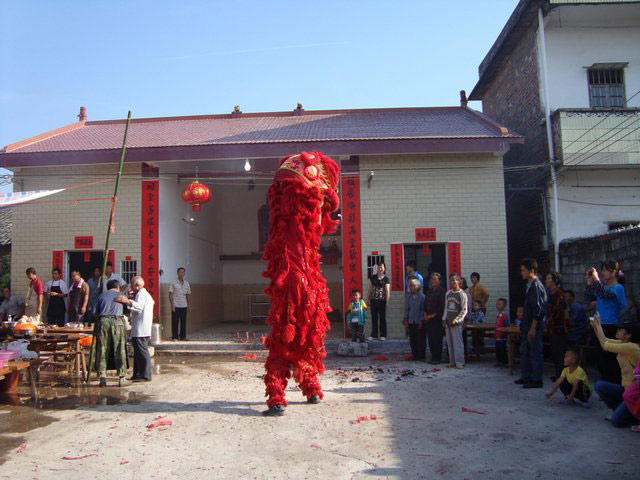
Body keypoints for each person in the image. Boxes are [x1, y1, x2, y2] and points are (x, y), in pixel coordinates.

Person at [591, 314, 640, 427]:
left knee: (616, 422)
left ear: (628, 335)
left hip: (634, 393)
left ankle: (634, 416)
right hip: (625, 389)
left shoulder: (632, 347)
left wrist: (598, 326)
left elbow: (605, 345)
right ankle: (619, 410)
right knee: (600, 386)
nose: (617, 330)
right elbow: (605, 340)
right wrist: (596, 326)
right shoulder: (624, 343)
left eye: (621, 329)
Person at [585, 261, 627, 384]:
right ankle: (605, 383)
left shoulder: (618, 288)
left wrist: (596, 279)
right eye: (602, 270)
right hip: (598, 325)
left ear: (614, 272)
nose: (603, 273)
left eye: (606, 270)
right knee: (600, 357)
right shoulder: (602, 286)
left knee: (610, 358)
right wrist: (589, 282)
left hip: (610, 326)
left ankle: (613, 383)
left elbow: (604, 295)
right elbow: (589, 298)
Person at [515, 258, 547, 389]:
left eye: (523, 270)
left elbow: (538, 309)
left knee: (535, 353)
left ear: (531, 271)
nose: (521, 273)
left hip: (533, 326)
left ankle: (536, 379)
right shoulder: (529, 286)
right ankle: (526, 376)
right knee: (525, 352)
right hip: (527, 325)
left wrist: (533, 328)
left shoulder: (536, 286)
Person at [116, 276, 155, 382]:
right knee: (137, 352)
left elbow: (139, 307)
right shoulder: (143, 294)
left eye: (132, 285)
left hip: (141, 329)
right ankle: (137, 374)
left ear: (137, 286)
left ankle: (146, 375)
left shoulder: (141, 294)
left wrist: (127, 301)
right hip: (140, 327)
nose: (131, 288)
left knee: (142, 351)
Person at [94, 279, 128, 388]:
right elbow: (127, 311)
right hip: (118, 322)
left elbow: (94, 313)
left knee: (102, 349)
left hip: (103, 322)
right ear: (118, 287)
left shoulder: (101, 296)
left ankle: (102, 378)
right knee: (120, 349)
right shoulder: (122, 296)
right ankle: (122, 378)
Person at [545, 271, 567, 380]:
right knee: (555, 352)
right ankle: (558, 374)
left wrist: (549, 320)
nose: (546, 281)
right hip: (552, 328)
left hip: (559, 328)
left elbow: (558, 311)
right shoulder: (550, 293)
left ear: (554, 281)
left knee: (559, 352)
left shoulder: (558, 293)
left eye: (549, 278)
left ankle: (561, 375)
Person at [443, 274, 467, 369]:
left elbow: (464, 310)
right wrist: (444, 319)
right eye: (451, 280)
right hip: (448, 321)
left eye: (454, 280)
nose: (452, 282)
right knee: (450, 343)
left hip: (456, 323)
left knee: (458, 343)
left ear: (459, 281)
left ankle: (460, 362)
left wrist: (457, 320)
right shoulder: (448, 293)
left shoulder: (462, 294)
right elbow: (446, 308)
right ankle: (452, 361)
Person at [423, 273, 445, 364]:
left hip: (437, 319)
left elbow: (441, 306)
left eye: (435, 279)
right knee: (431, 338)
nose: (433, 281)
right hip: (428, 319)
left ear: (439, 281)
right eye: (432, 279)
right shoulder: (429, 291)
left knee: (437, 338)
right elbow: (425, 303)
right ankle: (433, 357)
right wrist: (425, 314)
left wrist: (432, 315)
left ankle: (437, 357)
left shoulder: (442, 291)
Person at [367, 262, 390, 341]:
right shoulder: (373, 277)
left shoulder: (386, 279)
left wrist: (387, 302)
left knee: (382, 318)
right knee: (374, 318)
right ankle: (374, 335)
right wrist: (367, 299)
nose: (380, 269)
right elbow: (370, 289)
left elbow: (387, 291)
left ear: (384, 268)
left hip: (382, 301)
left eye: (381, 267)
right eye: (378, 267)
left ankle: (383, 335)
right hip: (373, 300)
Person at [403, 278, 426, 361]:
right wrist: (405, 318)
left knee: (420, 339)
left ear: (418, 287)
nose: (412, 288)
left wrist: (421, 320)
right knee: (412, 339)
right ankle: (415, 355)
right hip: (411, 320)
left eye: (413, 286)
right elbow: (407, 308)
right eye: (410, 286)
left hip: (419, 321)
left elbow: (423, 310)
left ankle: (421, 356)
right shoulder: (408, 297)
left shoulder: (422, 297)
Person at [169, 267, 191, 341]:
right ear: (177, 273)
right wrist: (172, 305)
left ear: (184, 273)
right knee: (175, 322)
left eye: (183, 272)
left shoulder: (186, 283)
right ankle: (175, 337)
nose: (181, 273)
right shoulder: (173, 282)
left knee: (183, 322)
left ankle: (182, 336)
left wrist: (188, 305)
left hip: (184, 305)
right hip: (176, 305)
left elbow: (187, 295)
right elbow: (170, 294)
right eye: (180, 272)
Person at [495, 298, 510, 366]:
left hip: (502, 336)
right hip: (497, 335)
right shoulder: (498, 315)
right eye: (497, 304)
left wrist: (505, 334)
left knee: (503, 349)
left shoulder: (504, 316)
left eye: (499, 304)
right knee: (498, 349)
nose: (497, 305)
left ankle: (504, 362)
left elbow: (507, 326)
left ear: (504, 306)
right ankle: (499, 361)